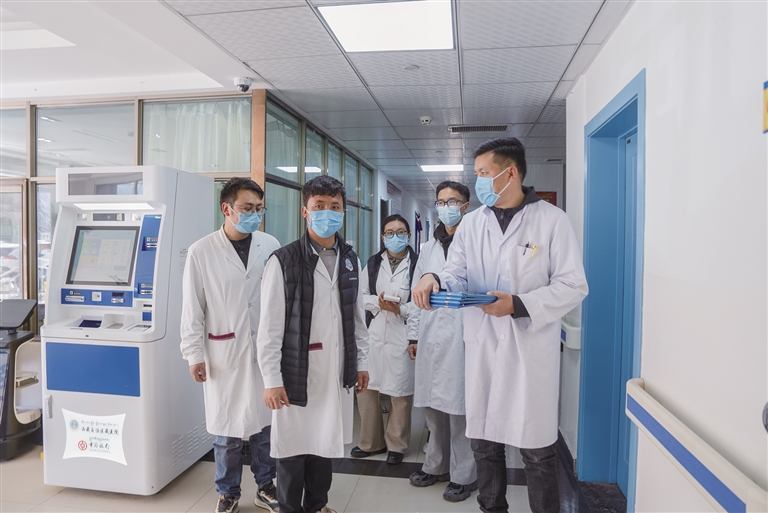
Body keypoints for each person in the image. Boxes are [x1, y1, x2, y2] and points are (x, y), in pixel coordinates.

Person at [412, 137, 589, 513]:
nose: (478, 181)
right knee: (484, 446)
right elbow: (456, 273)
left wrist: (519, 304)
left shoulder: (551, 221)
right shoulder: (473, 224)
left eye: (483, 173)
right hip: (482, 348)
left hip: (529, 352)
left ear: (510, 173)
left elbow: (574, 285)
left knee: (537, 453)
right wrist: (434, 277)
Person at [256, 175, 370, 513]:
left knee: (324, 447)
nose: (327, 212)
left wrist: (362, 363)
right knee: (293, 451)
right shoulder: (283, 260)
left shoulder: (350, 259)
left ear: (344, 211)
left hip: (335, 370)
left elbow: (357, 319)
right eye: (319, 206)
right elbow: (269, 327)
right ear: (305, 211)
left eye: (335, 206)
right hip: (296, 371)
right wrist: (271, 380)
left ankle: (318, 505)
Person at [180, 177, 281, 513]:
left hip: (265, 351)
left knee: (265, 426)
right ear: (227, 208)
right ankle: (228, 492)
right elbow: (193, 308)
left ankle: (266, 486)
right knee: (226, 432)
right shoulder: (201, 251)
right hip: (223, 351)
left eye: (258, 209)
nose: (254, 215)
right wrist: (194, 354)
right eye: (247, 208)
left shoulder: (270, 244)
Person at [407, 180, 478, 502]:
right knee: (433, 408)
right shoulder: (428, 247)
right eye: (441, 202)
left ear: (465, 206)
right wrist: (413, 334)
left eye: (452, 201)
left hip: (464, 333)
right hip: (431, 332)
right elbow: (416, 291)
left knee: (460, 409)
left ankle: (464, 475)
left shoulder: (476, 241)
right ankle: (434, 465)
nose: (446, 207)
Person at [352, 214, 418, 465]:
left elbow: (422, 304)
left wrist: (400, 309)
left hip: (403, 332)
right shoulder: (373, 263)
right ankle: (371, 442)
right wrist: (378, 303)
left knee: (400, 392)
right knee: (367, 389)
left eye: (400, 232)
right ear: (382, 237)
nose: (395, 237)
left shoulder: (417, 264)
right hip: (375, 331)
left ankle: (396, 446)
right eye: (389, 233)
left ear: (408, 236)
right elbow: (360, 296)